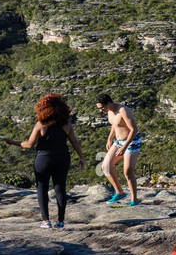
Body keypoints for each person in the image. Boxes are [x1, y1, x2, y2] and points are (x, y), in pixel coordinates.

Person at [13, 93, 86, 228]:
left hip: (43, 159)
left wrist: (12, 142)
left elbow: (29, 144)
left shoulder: (41, 125)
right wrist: (81, 157)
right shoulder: (67, 124)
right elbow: (74, 142)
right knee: (60, 188)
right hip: (62, 158)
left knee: (42, 188)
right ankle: (60, 221)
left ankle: (46, 221)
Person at [96, 93, 142, 206]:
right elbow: (114, 124)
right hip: (118, 142)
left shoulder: (123, 110)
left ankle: (134, 200)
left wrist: (124, 146)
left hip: (131, 142)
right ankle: (119, 192)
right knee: (105, 167)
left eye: (101, 108)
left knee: (127, 172)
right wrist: (109, 138)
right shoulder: (110, 111)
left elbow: (134, 129)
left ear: (108, 103)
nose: (100, 111)